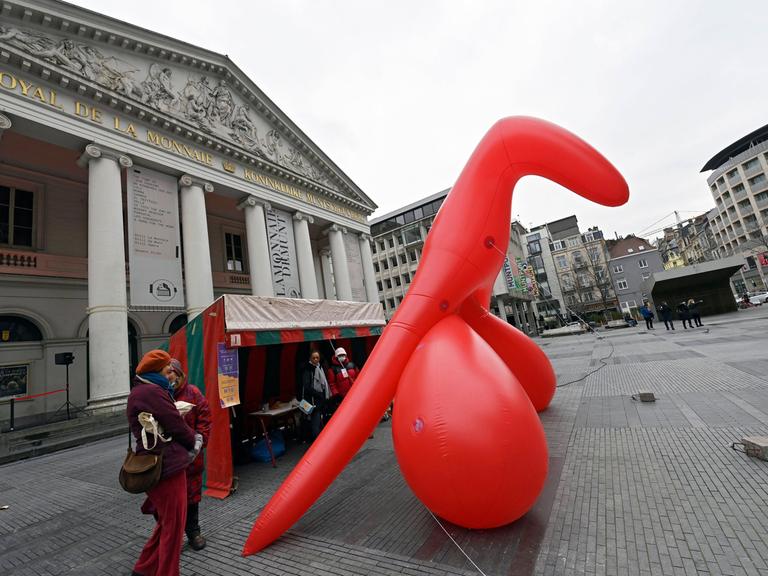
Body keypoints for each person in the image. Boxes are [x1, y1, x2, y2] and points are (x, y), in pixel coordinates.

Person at [127, 350, 201, 576]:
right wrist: (195, 441)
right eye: (168, 370)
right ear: (157, 370)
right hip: (166, 466)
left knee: (167, 522)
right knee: (174, 526)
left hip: (158, 464)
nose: (171, 374)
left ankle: (144, 568)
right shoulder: (152, 392)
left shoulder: (142, 390)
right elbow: (174, 424)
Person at [168, 359, 211, 551]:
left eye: (171, 372)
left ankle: (194, 532)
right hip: (170, 459)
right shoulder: (161, 396)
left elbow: (205, 418)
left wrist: (199, 443)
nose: (168, 376)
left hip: (191, 457)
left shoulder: (192, 392)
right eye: (165, 372)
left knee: (192, 497)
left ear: (179, 374)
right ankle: (172, 536)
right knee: (172, 500)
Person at [299, 351, 331, 440]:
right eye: (314, 358)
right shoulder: (308, 370)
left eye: (317, 357)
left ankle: (318, 438)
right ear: (310, 358)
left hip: (318, 399)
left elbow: (323, 383)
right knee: (315, 421)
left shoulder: (319, 368)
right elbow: (307, 386)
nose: (316, 359)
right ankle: (317, 440)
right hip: (312, 400)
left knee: (317, 420)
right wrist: (318, 394)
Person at [326, 347, 359, 415]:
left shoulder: (352, 365)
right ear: (336, 356)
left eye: (343, 355)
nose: (342, 357)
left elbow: (359, 376)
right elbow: (332, 384)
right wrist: (337, 394)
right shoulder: (332, 369)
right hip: (342, 396)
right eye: (340, 355)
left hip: (354, 393)